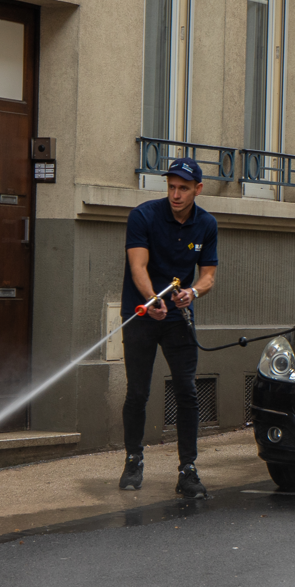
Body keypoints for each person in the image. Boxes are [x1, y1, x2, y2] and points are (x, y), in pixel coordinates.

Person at [118, 157, 218, 497]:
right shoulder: (143, 216)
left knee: (187, 391)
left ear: (197, 190)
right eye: (172, 187)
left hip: (178, 317)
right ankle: (133, 459)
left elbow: (208, 275)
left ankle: (188, 470)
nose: (176, 194)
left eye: (184, 188)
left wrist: (192, 291)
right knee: (138, 392)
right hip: (144, 313)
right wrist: (152, 299)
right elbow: (138, 265)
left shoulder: (206, 224)